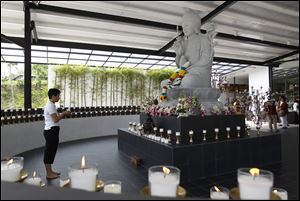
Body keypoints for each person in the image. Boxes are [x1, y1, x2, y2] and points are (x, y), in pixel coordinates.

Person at [43, 88, 71, 179]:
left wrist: (62, 114)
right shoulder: (50, 106)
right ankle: (48, 173)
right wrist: (63, 113)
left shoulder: (51, 105)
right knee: (49, 151)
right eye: (58, 96)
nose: (59, 98)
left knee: (51, 151)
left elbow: (55, 118)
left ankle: (50, 171)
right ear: (53, 96)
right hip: (51, 131)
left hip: (52, 131)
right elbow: (55, 120)